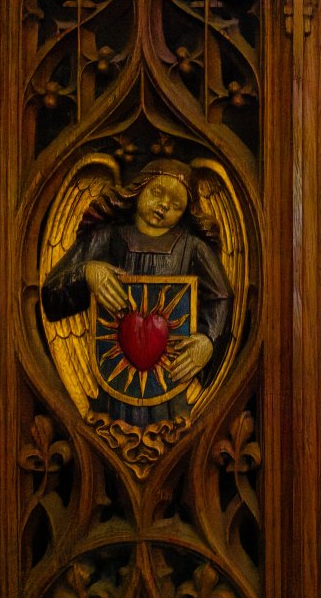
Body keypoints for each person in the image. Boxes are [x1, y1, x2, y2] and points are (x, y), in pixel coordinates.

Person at [42, 158, 232, 426]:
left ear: (186, 212)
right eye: (157, 192)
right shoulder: (106, 237)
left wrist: (208, 341)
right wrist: (87, 272)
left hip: (173, 381)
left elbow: (221, 297)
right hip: (111, 387)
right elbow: (50, 294)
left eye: (176, 205)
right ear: (138, 189)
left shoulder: (193, 248)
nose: (164, 205)